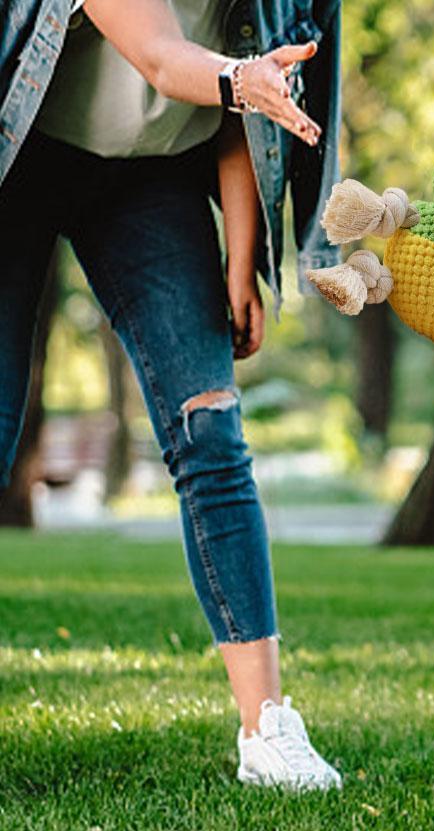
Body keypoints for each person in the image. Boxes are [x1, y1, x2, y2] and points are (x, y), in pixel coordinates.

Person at [0, 0, 342, 788]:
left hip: (147, 181)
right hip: (21, 157)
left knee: (212, 433)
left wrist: (240, 255)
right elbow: (162, 57)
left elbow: (249, 99)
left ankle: (268, 730)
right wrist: (240, 80)